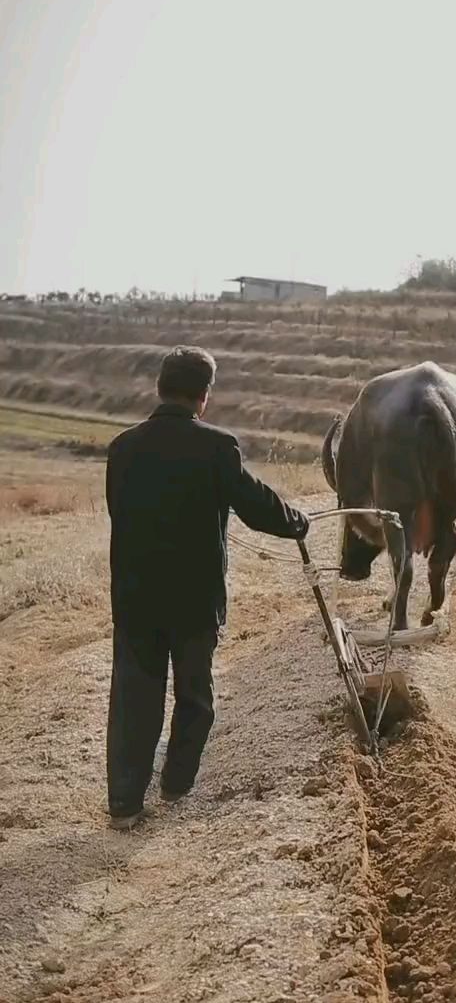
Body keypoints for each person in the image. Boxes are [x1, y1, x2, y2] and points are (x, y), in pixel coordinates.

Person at [105, 345, 309, 828]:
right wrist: (295, 523)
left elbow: (121, 513)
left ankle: (124, 805)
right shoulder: (217, 446)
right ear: (204, 396)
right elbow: (255, 505)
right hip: (195, 601)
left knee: (134, 699)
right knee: (195, 696)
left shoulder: (122, 446)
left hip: (135, 598)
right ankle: (176, 785)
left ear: (159, 387)